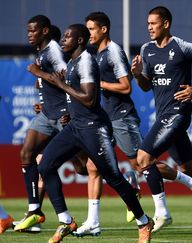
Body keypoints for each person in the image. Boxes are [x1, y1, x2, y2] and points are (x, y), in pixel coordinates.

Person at [30, 24, 154, 243]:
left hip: (94, 129)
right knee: (45, 165)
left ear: (79, 41)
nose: (63, 40)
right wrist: (68, 111)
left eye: (68, 36)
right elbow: (76, 98)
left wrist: (60, 84)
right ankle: (66, 220)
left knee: (113, 178)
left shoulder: (87, 61)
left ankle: (144, 221)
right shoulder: (71, 63)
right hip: (75, 127)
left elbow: (88, 98)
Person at [131, 6, 192, 233]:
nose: (149, 27)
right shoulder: (147, 50)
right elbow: (145, 85)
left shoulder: (182, 47)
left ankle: (162, 213)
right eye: (148, 24)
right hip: (163, 114)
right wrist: (137, 74)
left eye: (153, 23)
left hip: (178, 113)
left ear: (166, 24)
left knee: (143, 158)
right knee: (189, 166)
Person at [15, 15, 68, 232]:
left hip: (66, 117)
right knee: (27, 154)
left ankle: (131, 187)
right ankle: (34, 211)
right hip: (47, 116)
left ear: (45, 31)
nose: (29, 34)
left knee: (87, 167)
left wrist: (39, 73)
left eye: (33, 31)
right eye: (28, 31)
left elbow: (66, 77)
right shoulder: (42, 52)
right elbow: (51, 85)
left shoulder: (54, 49)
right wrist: (43, 103)